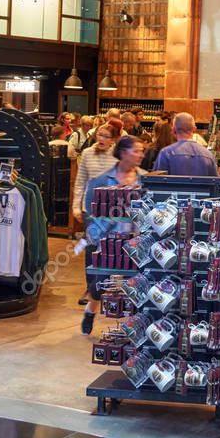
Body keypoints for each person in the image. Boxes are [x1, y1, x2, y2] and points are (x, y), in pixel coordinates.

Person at [80, 136, 146, 335]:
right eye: (137, 151)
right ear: (124, 153)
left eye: (142, 151)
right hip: (108, 242)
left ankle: (133, 327)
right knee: (99, 284)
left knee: (136, 284)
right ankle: (90, 310)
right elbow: (91, 211)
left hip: (136, 240)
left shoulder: (145, 179)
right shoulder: (101, 180)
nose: (141, 155)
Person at [72, 124, 116, 224]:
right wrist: (76, 207)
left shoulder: (118, 155)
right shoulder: (87, 153)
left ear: (112, 140)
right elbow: (80, 182)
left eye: (106, 136)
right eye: (100, 135)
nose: (101, 138)